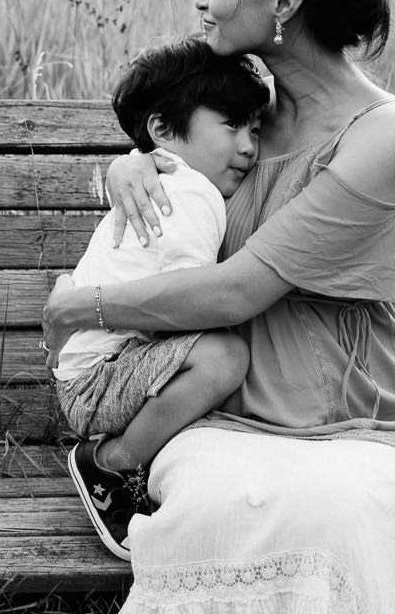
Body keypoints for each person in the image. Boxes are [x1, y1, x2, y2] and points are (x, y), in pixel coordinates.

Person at [43, 0, 395, 614]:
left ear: (284, 0)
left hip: (356, 424)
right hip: (220, 414)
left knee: (334, 517)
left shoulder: (386, 136)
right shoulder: (239, 125)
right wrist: (132, 161)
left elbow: (238, 292)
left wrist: (85, 304)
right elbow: (166, 152)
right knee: (216, 506)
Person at [53, 36, 266, 560]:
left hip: (96, 369)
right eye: (232, 125)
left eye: (255, 129)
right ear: (164, 131)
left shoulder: (173, 184)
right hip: (99, 378)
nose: (248, 146)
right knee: (223, 357)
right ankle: (113, 462)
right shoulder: (191, 195)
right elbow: (187, 301)